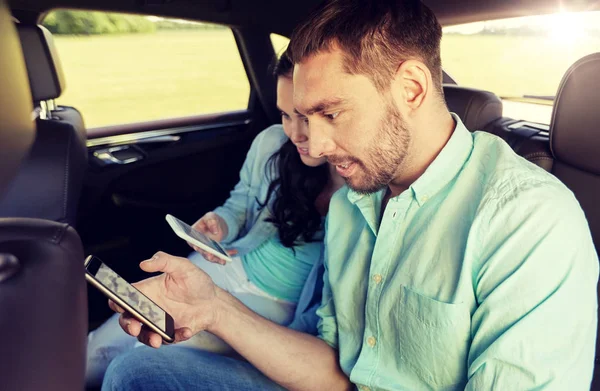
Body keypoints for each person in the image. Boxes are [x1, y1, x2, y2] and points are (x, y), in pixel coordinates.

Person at [103, 1, 599, 390]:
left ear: (409, 89)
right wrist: (213, 307)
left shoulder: (528, 221)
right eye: (301, 117)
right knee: (133, 373)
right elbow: (340, 373)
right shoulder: (348, 206)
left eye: (332, 114)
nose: (313, 146)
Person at [85, 50, 344, 387]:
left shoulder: (362, 197)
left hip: (274, 305)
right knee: (100, 347)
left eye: (306, 116)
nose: (295, 133)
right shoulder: (271, 144)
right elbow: (240, 202)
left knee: (142, 352)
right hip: (224, 266)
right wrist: (222, 224)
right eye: (285, 115)